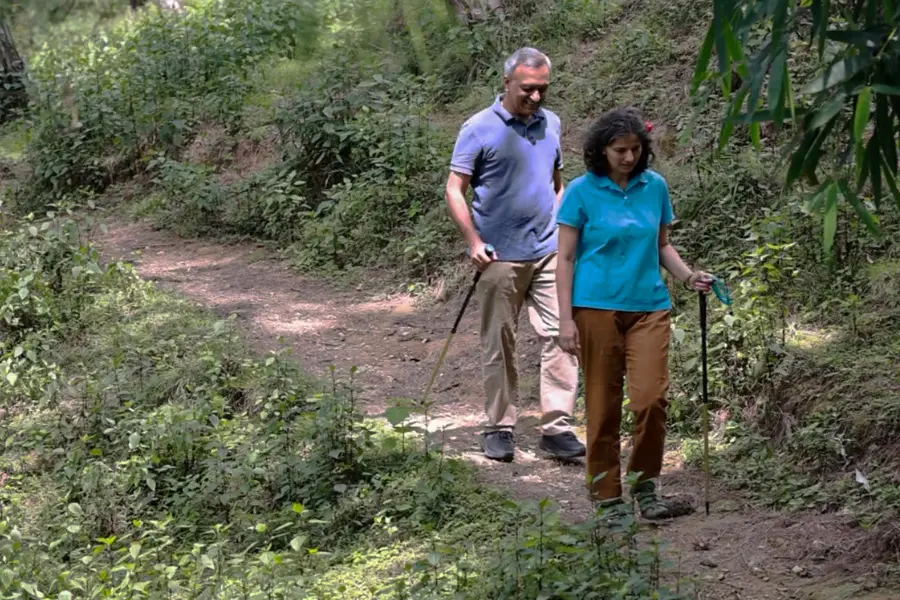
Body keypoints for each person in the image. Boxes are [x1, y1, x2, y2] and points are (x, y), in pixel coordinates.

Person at [555, 107, 712, 519]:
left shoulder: (654, 187)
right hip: (594, 308)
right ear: (601, 150)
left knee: (651, 399)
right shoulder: (580, 191)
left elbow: (661, 245)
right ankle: (607, 497)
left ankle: (646, 487)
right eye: (620, 149)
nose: (628, 157)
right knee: (602, 406)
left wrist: (687, 276)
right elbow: (566, 258)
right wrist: (565, 319)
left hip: (649, 307)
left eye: (635, 149)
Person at [444, 47, 584, 463]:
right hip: (499, 255)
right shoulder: (478, 128)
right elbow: (455, 188)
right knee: (498, 342)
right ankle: (500, 427)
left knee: (563, 337)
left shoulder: (552, 123)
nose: (536, 97)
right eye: (528, 89)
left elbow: (557, 182)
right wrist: (473, 240)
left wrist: (562, 227)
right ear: (506, 83)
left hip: (548, 252)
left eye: (543, 89)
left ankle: (557, 428)